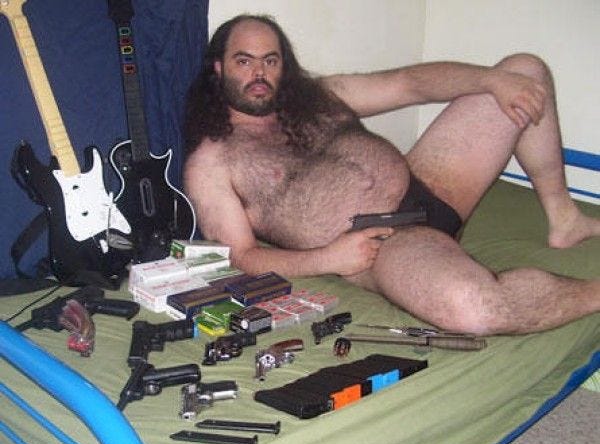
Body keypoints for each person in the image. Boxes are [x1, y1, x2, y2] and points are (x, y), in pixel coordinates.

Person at [183, 14, 600, 335]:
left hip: (432, 183)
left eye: (270, 61)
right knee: (476, 309)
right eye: (244, 61)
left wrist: (491, 80)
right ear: (219, 68)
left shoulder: (320, 96)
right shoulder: (212, 163)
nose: (259, 73)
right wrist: (328, 260)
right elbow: (242, 256)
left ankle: (563, 218)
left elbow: (409, 83)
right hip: (383, 248)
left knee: (522, 73)